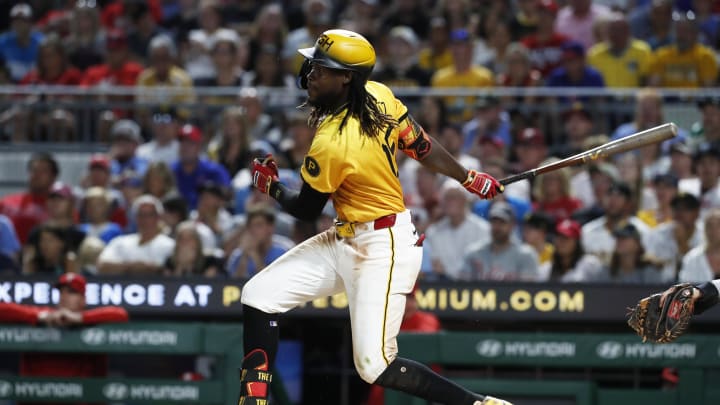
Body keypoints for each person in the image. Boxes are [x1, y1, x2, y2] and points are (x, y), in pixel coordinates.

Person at [240, 29, 509, 405]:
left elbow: (305, 209)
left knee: (374, 365)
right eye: (313, 65)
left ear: (346, 77)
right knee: (259, 295)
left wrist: (271, 187)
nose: (311, 74)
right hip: (345, 236)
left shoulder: (332, 139)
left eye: (322, 68)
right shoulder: (378, 94)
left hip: (382, 247)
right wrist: (467, 176)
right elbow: (421, 145)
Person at [0, 272, 128, 405]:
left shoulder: (92, 322)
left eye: (72, 292)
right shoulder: (41, 316)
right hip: (38, 400)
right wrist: (40, 317)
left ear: (83, 300)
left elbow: (121, 315)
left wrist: (79, 319)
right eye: (62, 292)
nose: (65, 296)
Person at [460, 201, 541, 282]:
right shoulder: (474, 253)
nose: (497, 227)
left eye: (502, 222)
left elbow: (530, 289)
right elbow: (463, 286)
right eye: (494, 222)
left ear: (512, 225)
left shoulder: (526, 255)